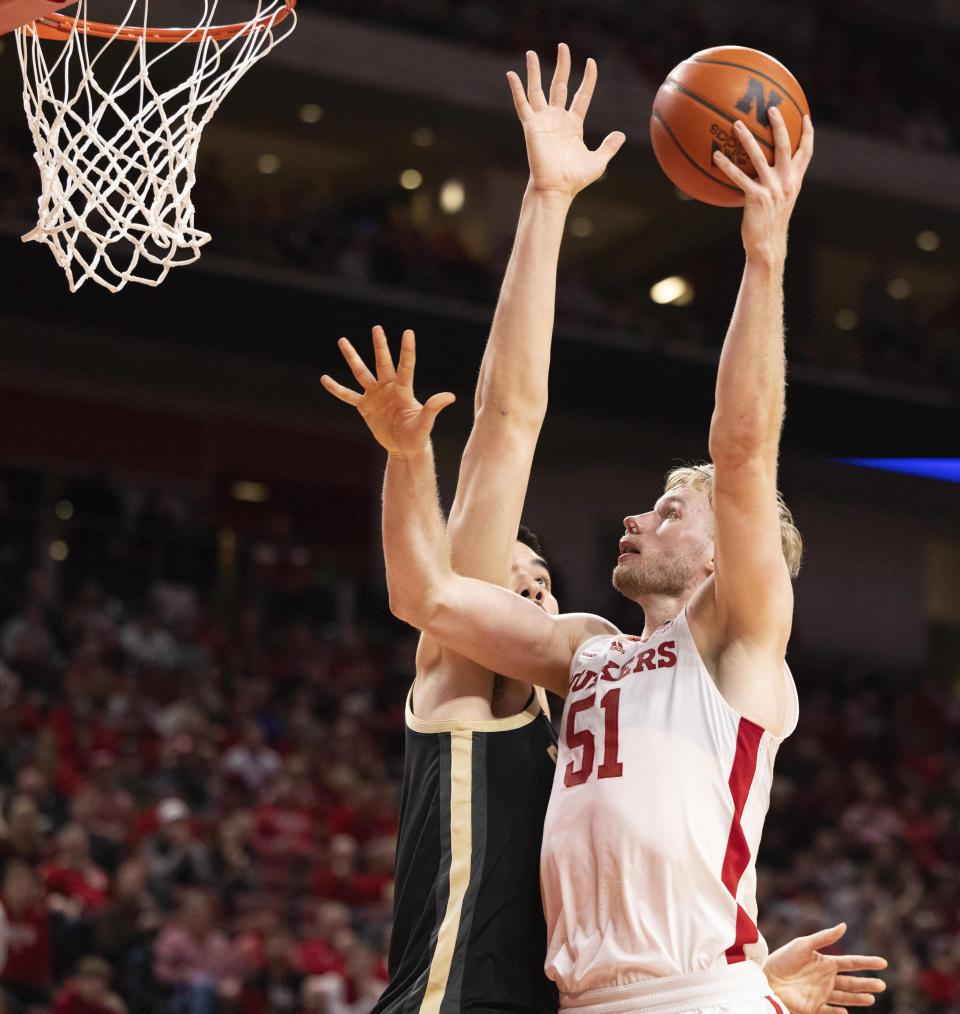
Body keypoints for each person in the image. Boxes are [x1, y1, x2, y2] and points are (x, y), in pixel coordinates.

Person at [324, 77, 890, 1014]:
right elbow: (428, 589)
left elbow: (741, 450)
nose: (638, 518)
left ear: (722, 557)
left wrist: (764, 256)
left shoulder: (737, 636)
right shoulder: (585, 651)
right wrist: (408, 458)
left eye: (671, 508)